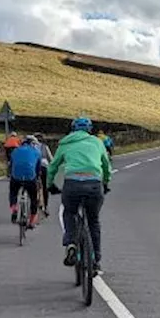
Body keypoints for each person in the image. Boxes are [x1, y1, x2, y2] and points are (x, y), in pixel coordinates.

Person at [46, 116, 112, 273]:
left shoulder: (65, 143)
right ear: (90, 130)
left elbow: (53, 166)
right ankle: (96, 260)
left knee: (69, 213)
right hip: (94, 185)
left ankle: (71, 244)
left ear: (73, 129)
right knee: (93, 221)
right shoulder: (97, 142)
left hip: (72, 185)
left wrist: (50, 185)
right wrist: (106, 183)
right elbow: (106, 166)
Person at [8, 134, 44, 229]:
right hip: (30, 178)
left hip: (16, 177)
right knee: (33, 198)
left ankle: (14, 208)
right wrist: (37, 177)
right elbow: (38, 168)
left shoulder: (15, 150)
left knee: (13, 192)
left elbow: (11, 165)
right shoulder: (37, 152)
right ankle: (32, 221)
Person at [31, 132, 54, 215]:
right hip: (44, 167)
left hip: (33, 167)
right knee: (45, 187)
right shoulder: (45, 147)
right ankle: (46, 206)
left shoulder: (31, 147)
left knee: (32, 185)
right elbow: (51, 159)